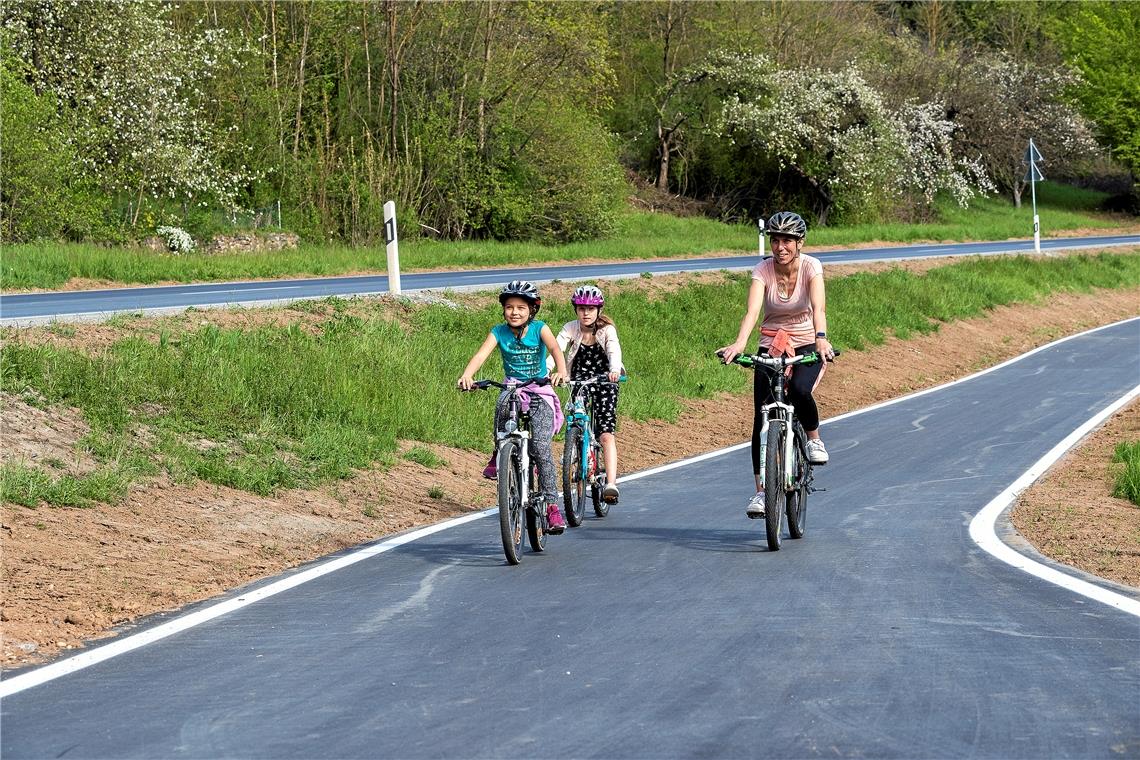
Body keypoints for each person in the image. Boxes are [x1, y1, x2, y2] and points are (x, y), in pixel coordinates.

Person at [717, 211, 835, 520]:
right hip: (771, 345)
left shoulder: (812, 267)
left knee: (798, 389)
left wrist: (821, 338)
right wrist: (740, 344)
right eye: (776, 240)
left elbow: (818, 307)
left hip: (807, 343)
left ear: (800, 243)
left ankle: (813, 439)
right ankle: (760, 491)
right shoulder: (762, 270)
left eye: (787, 240)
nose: (780, 246)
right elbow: (752, 311)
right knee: (761, 419)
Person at [458, 280, 570, 533]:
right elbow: (480, 355)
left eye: (521, 307)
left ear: (532, 310)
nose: (515, 312)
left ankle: (552, 507)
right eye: (509, 307)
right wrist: (467, 376)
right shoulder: (498, 331)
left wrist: (561, 371)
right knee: (502, 404)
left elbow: (554, 348)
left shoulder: (540, 329)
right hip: (513, 387)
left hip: (539, 389)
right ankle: (500, 453)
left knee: (541, 447)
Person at [555, 285, 625, 503]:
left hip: (605, 380)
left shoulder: (607, 330)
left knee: (605, 433)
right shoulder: (570, 328)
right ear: (576, 309)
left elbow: (614, 350)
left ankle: (611, 484)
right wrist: (554, 370)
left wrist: (614, 370)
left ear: (599, 310)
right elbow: (556, 349)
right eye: (581, 308)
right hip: (579, 380)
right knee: (576, 417)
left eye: (591, 309)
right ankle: (576, 450)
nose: (586, 313)